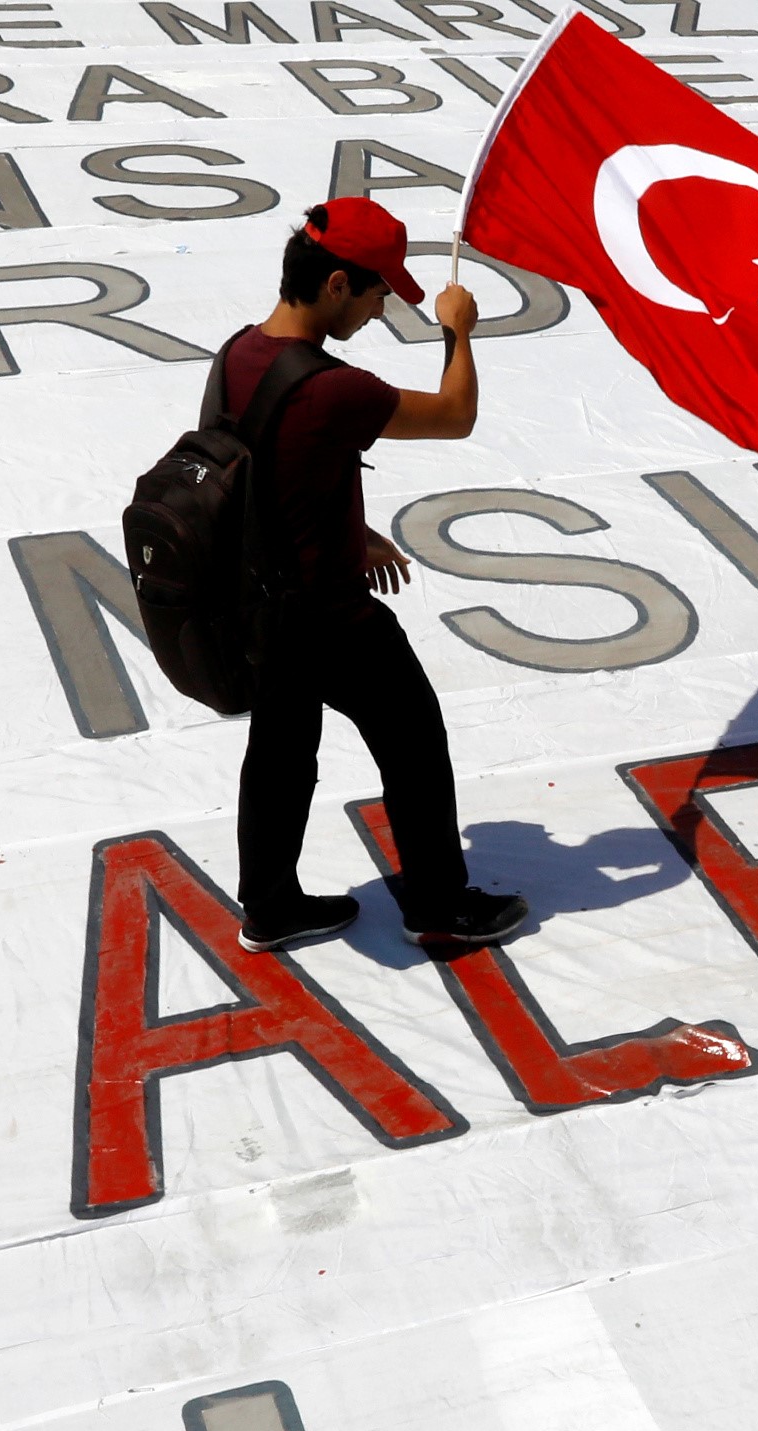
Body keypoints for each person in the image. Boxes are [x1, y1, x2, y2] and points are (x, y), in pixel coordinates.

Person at [219, 198, 529, 954]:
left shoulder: (238, 353)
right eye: (376, 290)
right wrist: (458, 332)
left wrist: (350, 529)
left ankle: (270, 906)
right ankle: (438, 905)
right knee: (414, 743)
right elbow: (456, 415)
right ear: (333, 285)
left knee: (280, 752)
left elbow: (261, 466)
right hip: (330, 616)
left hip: (259, 605)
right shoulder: (336, 388)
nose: (383, 305)